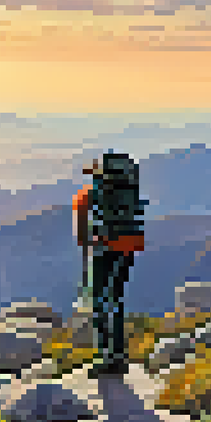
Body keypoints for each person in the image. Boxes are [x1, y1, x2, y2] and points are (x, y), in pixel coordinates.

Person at [74, 152, 145, 376]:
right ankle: (118, 355)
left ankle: (106, 356)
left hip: (105, 247)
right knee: (115, 298)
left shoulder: (89, 194)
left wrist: (87, 246)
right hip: (129, 245)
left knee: (100, 301)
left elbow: (81, 229)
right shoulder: (128, 192)